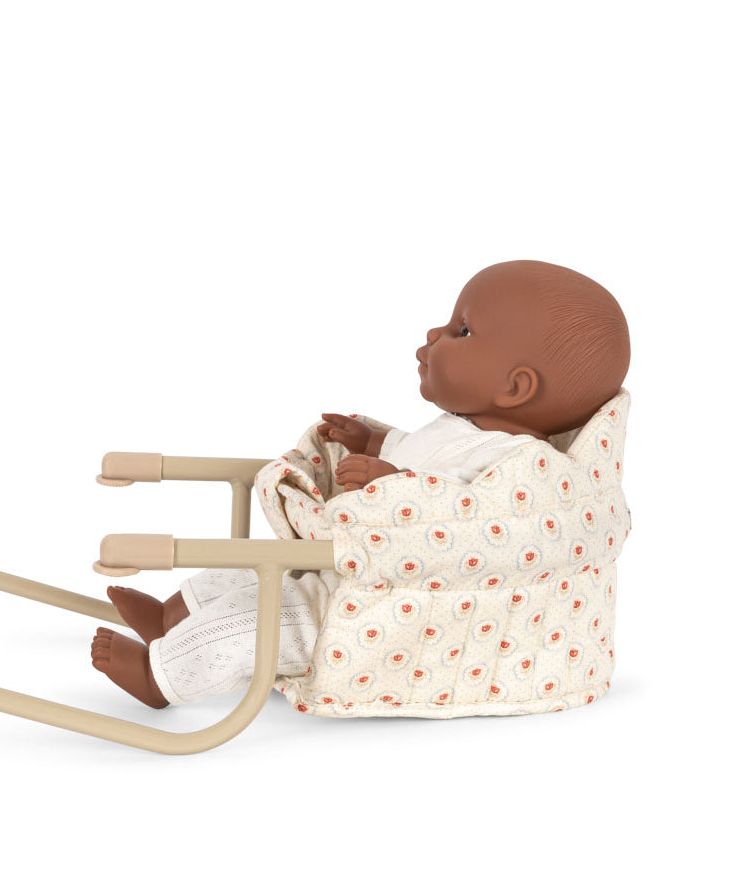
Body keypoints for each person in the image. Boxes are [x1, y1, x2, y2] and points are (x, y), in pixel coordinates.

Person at [90, 260, 631, 708]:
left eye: (461, 331)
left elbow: (464, 511)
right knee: (246, 566)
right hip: (349, 560)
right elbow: (418, 454)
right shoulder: (462, 429)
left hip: (372, 594)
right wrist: (372, 443)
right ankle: (170, 617)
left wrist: (392, 484)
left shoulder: (521, 464)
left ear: (515, 388)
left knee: (262, 620)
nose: (435, 335)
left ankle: (163, 678)